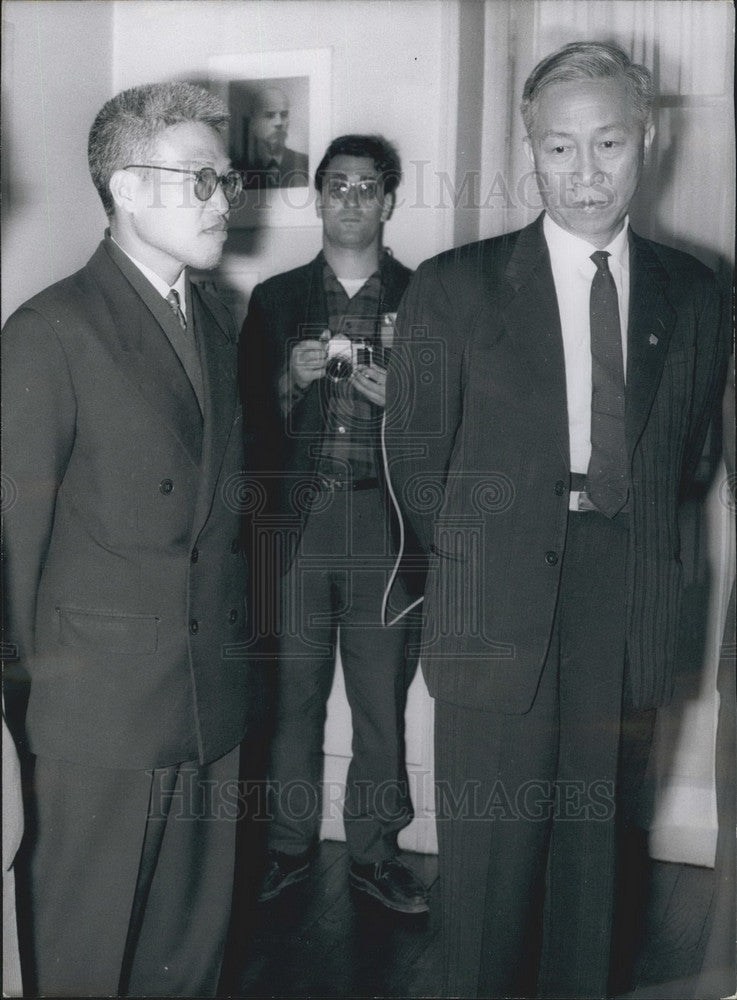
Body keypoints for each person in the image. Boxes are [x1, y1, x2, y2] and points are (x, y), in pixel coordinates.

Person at [384, 42, 730, 998]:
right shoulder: (453, 288)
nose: (584, 175)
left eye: (607, 144)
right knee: (489, 872)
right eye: (558, 149)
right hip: (494, 599)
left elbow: (686, 456)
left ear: (646, 142)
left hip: (623, 601)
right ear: (528, 153)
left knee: (598, 865)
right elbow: (416, 468)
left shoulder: (695, 291)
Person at [1, 81, 262, 996]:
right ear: (124, 188)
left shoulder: (216, 324)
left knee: (187, 958)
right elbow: (13, 552)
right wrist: (39, 716)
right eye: (201, 178)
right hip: (99, 720)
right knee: (87, 960)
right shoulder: (49, 332)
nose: (225, 199)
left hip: (210, 703)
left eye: (226, 180)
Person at [240, 134, 428, 914]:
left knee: (381, 702)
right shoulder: (275, 300)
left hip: (382, 527)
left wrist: (405, 403)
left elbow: (455, 429)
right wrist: (288, 377)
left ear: (388, 203)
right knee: (291, 698)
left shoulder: (427, 299)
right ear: (318, 199)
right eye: (337, 185)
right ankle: (285, 849)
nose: (351, 199)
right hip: (300, 521)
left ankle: (374, 856)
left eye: (367, 187)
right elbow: (245, 420)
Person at [239, 84, 309, 189]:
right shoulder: (238, 170)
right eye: (270, 115)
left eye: (284, 115)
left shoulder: (306, 164)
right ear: (254, 123)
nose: (279, 122)